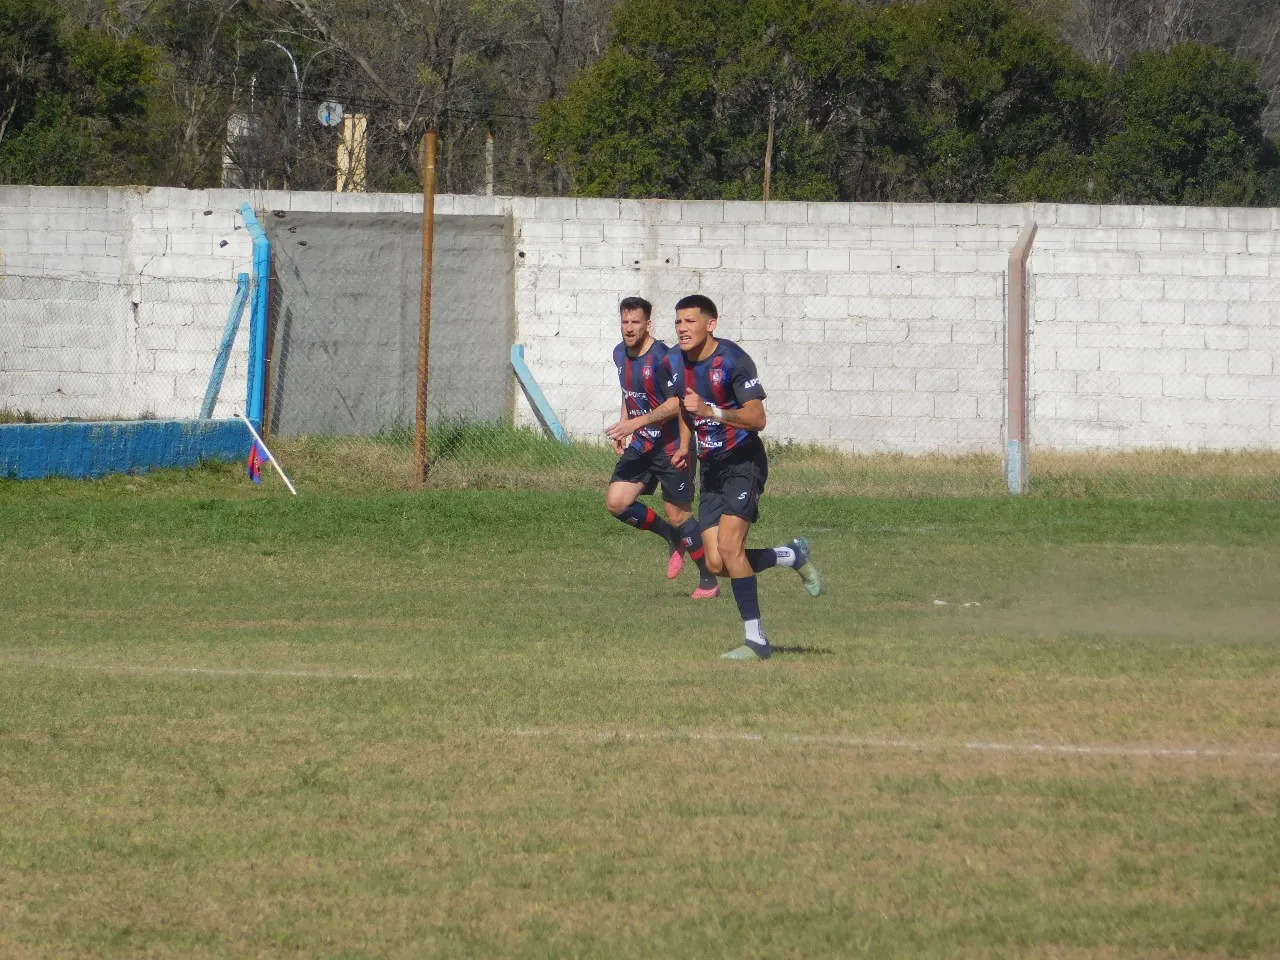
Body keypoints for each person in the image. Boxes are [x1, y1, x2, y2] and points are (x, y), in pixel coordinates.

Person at [675, 294, 822, 660]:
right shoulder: (676, 362)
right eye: (678, 321)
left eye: (690, 321)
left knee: (730, 548)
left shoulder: (733, 362)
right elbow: (682, 405)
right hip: (710, 466)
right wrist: (683, 446)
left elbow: (757, 419)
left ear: (711, 324)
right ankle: (791, 554)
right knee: (715, 563)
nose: (681, 328)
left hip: (742, 462)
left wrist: (711, 411)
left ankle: (757, 641)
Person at [603, 296, 719, 598]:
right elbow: (630, 394)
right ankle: (670, 536)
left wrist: (635, 424)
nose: (629, 328)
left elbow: (677, 403)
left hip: (670, 446)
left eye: (636, 322)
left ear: (648, 324)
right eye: (625, 322)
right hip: (642, 443)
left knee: (678, 514)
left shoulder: (665, 359)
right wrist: (623, 425)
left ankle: (709, 580)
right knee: (616, 502)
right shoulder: (619, 354)